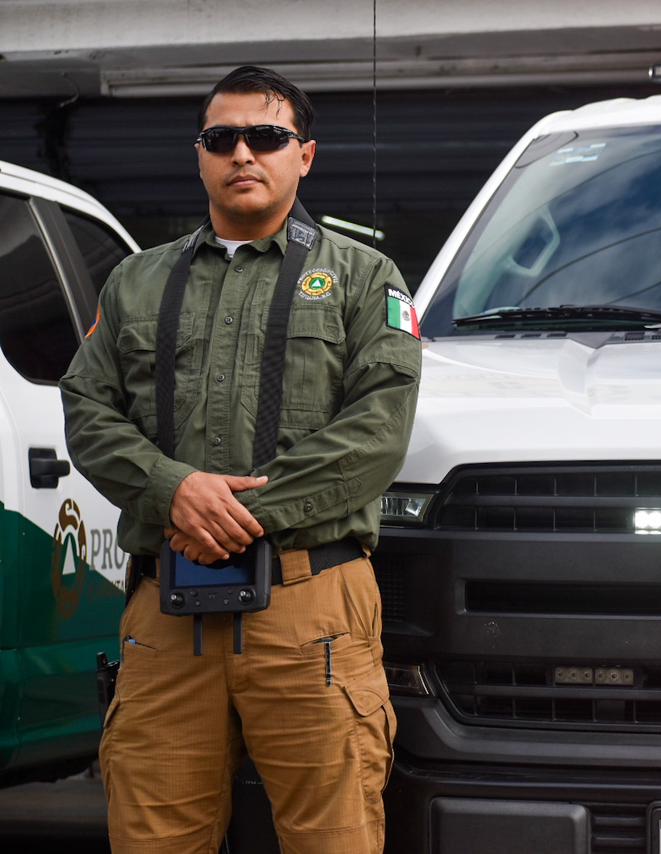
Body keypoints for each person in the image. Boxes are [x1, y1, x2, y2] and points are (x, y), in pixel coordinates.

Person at [60, 65, 422, 854]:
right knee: (153, 838)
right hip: (165, 619)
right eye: (222, 138)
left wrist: (228, 513)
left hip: (311, 609)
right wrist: (171, 488)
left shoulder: (366, 279)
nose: (243, 154)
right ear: (200, 155)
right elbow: (86, 410)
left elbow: (377, 434)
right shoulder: (134, 283)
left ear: (306, 155)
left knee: (334, 838)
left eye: (266, 137)